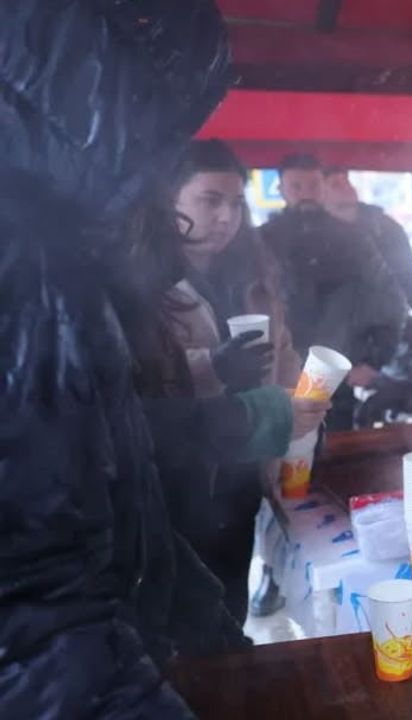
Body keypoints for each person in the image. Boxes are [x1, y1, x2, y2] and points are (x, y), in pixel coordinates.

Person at [0, 1, 235, 716]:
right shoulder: (23, 258)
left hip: (139, 635)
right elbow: (30, 622)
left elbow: (113, 471)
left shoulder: (55, 238)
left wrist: (208, 626)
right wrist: (231, 420)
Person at [160, 140, 322, 624]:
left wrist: (301, 402)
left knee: (229, 602)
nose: (226, 217)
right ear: (169, 200)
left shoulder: (252, 269)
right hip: (184, 480)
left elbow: (284, 348)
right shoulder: (148, 283)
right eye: (210, 200)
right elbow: (140, 385)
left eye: (235, 203)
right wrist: (210, 365)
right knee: (185, 619)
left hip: (246, 471)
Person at [261, 155, 408, 430]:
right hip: (278, 379)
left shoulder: (354, 240)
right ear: (280, 190)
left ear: (323, 188)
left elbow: (392, 301)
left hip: (337, 375)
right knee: (282, 464)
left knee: (336, 459)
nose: (306, 194)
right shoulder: (261, 242)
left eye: (313, 185)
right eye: (296, 186)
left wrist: (374, 360)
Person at [323, 167, 412, 320]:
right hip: (329, 329)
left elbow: (407, 278)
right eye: (335, 184)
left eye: (347, 181)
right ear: (319, 193)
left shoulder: (387, 228)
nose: (347, 188)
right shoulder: (311, 233)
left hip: (385, 326)